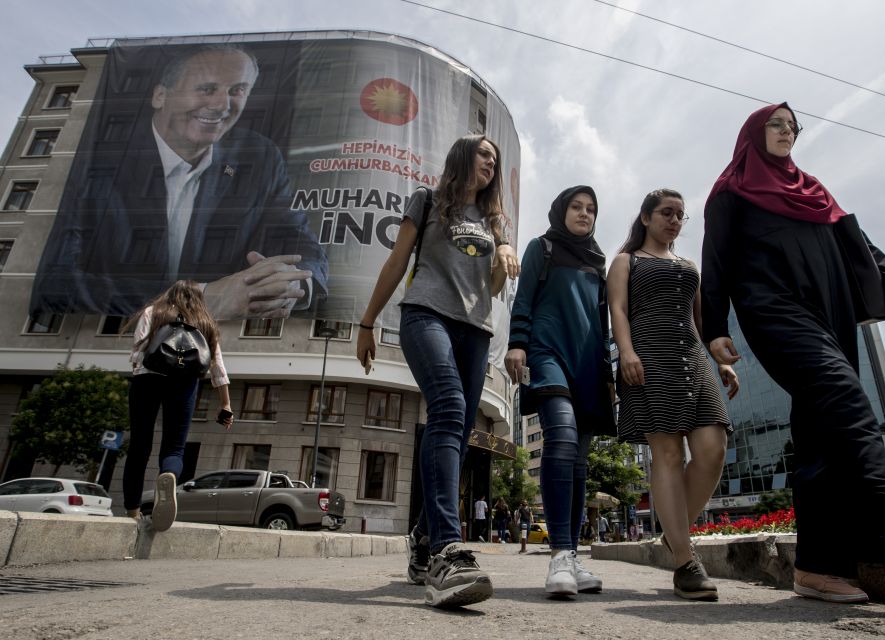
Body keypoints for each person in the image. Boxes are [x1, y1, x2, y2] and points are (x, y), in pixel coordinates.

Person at [700, 102, 885, 608]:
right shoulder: (733, 190)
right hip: (773, 310)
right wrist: (713, 329)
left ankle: (818, 566)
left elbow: (859, 243)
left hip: (831, 315)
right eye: (776, 124)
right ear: (753, 132)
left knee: (821, 434)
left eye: (793, 126)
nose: (787, 132)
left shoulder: (814, 191)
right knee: (845, 396)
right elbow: (716, 259)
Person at [31, 43, 327, 320]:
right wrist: (200, 299)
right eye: (206, 88)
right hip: (116, 337)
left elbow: (299, 241)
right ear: (160, 95)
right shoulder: (102, 156)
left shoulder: (259, 156)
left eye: (237, 90)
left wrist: (291, 286)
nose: (222, 105)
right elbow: (57, 280)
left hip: (208, 346)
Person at [356, 134, 519, 608]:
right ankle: (448, 550)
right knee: (447, 407)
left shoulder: (493, 221)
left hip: (476, 329)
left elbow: (488, 289)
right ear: (463, 157)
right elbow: (396, 261)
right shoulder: (427, 201)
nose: (491, 162)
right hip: (425, 314)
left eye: (496, 157)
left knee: (461, 431)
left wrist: (504, 254)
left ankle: (423, 541)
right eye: (484, 153)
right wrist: (367, 323)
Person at [608, 188, 739, 601]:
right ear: (646, 218)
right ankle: (685, 561)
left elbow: (699, 320)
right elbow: (618, 311)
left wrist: (720, 361)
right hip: (648, 356)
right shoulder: (626, 261)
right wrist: (626, 352)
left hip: (692, 360)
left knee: (713, 448)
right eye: (667, 213)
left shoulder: (688, 266)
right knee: (666, 454)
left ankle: (672, 534)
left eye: (681, 216)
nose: (674, 221)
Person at [504, 185, 615, 597]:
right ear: (561, 210)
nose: (584, 214)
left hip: (587, 364)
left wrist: (607, 372)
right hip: (547, 352)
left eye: (591, 209)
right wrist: (517, 343)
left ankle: (573, 557)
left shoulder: (599, 262)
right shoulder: (543, 247)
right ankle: (559, 555)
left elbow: (602, 325)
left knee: (581, 461)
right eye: (576, 206)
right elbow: (524, 298)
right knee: (562, 436)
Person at [123, 280, 233, 532]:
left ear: (170, 294)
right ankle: (169, 475)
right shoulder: (204, 322)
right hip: (184, 384)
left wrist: (143, 371)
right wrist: (225, 404)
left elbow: (137, 354)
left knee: (139, 445)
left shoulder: (153, 313)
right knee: (174, 448)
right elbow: (217, 366)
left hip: (147, 379)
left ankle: (132, 512)